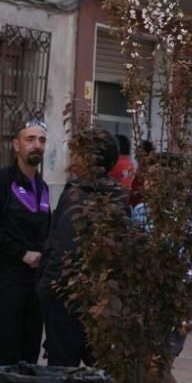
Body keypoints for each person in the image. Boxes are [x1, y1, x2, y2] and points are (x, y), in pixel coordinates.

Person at [38, 128, 121, 367]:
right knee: (103, 370)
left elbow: (63, 247)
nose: (71, 159)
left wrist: (46, 288)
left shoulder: (77, 195)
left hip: (68, 298)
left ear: (86, 158)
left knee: (63, 369)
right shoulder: (117, 196)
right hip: (102, 298)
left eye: (76, 153)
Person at [0, 119, 51, 370]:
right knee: (7, 350)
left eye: (41, 140)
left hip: (36, 283)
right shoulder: (0, 182)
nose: (36, 145)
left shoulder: (43, 187)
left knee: (30, 352)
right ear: (16, 145)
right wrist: (21, 253)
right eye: (30, 139)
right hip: (8, 279)